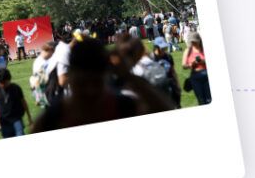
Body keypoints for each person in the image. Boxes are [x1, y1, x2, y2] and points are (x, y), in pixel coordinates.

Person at [32, 38, 173, 133]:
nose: (90, 91)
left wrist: (126, 75)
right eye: (83, 83)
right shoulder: (53, 116)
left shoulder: (54, 116)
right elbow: (164, 107)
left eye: (95, 82)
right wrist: (127, 75)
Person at [0, 68, 32, 138]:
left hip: (16, 119)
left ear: (9, 79)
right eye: (0, 83)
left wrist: (29, 117)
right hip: (4, 122)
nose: (2, 85)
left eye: (4, 83)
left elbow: (23, 102)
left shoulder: (16, 88)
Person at [152, 37, 182, 107]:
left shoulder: (168, 56)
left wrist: (177, 84)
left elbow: (173, 71)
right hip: (159, 86)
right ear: (156, 47)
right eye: (162, 48)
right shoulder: (152, 58)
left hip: (171, 83)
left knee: (177, 105)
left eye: (165, 47)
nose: (164, 49)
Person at [182, 33, 211, 105]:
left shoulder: (204, 48)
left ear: (199, 40)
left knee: (209, 99)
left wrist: (202, 61)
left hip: (207, 76)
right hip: (195, 77)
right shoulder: (188, 50)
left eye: (195, 41)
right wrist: (191, 64)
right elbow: (184, 66)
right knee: (201, 100)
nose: (194, 43)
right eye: (192, 42)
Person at [30, 41, 55, 107]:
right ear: (48, 51)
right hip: (44, 88)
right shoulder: (38, 62)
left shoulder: (49, 59)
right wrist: (38, 96)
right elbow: (37, 80)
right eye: (52, 52)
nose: (52, 54)